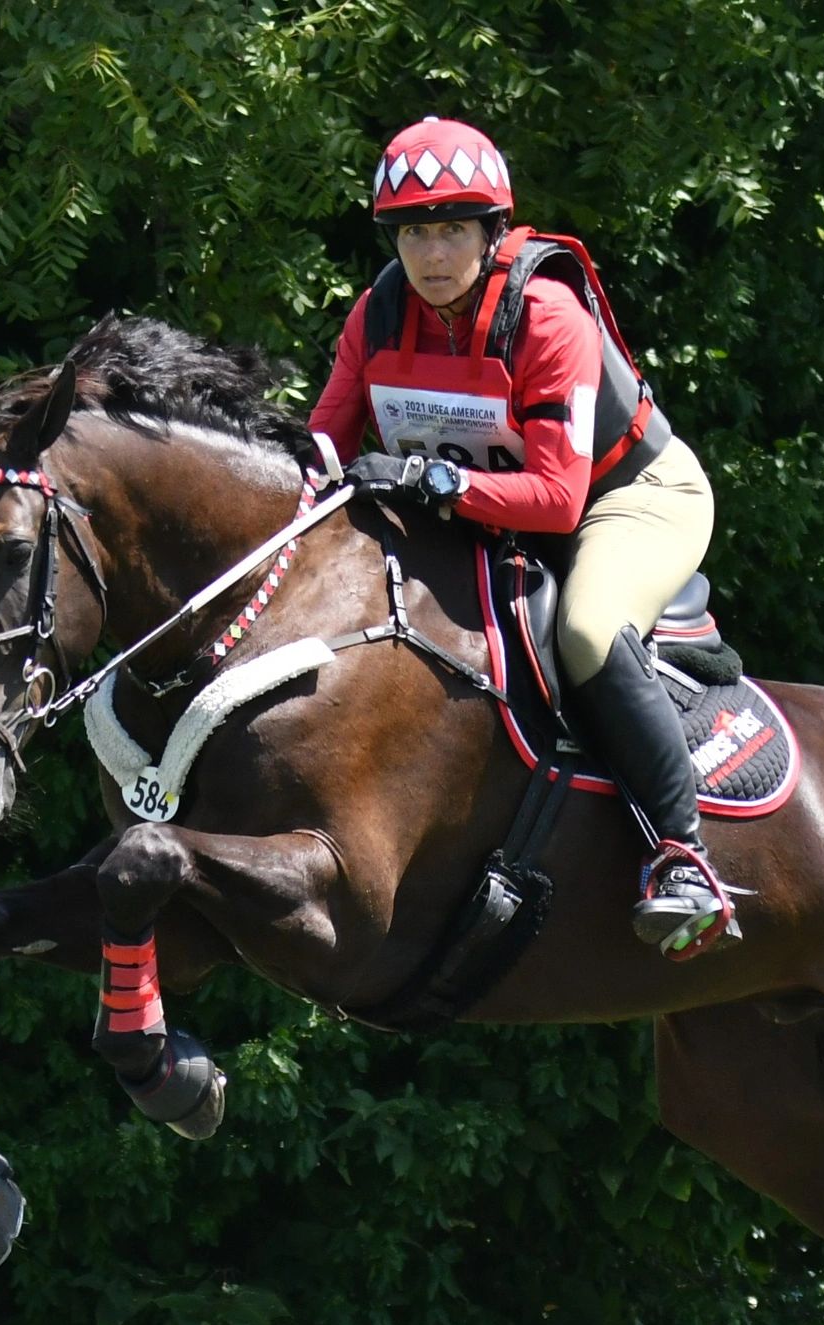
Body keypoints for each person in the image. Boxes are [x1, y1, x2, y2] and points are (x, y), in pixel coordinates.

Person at [309, 117, 735, 958]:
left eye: (453, 230)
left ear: (491, 232)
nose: (433, 255)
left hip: (628, 496)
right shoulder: (378, 314)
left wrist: (436, 481)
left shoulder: (546, 318)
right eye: (415, 233)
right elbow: (325, 446)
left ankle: (684, 859)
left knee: (582, 630)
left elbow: (552, 499)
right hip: (488, 506)